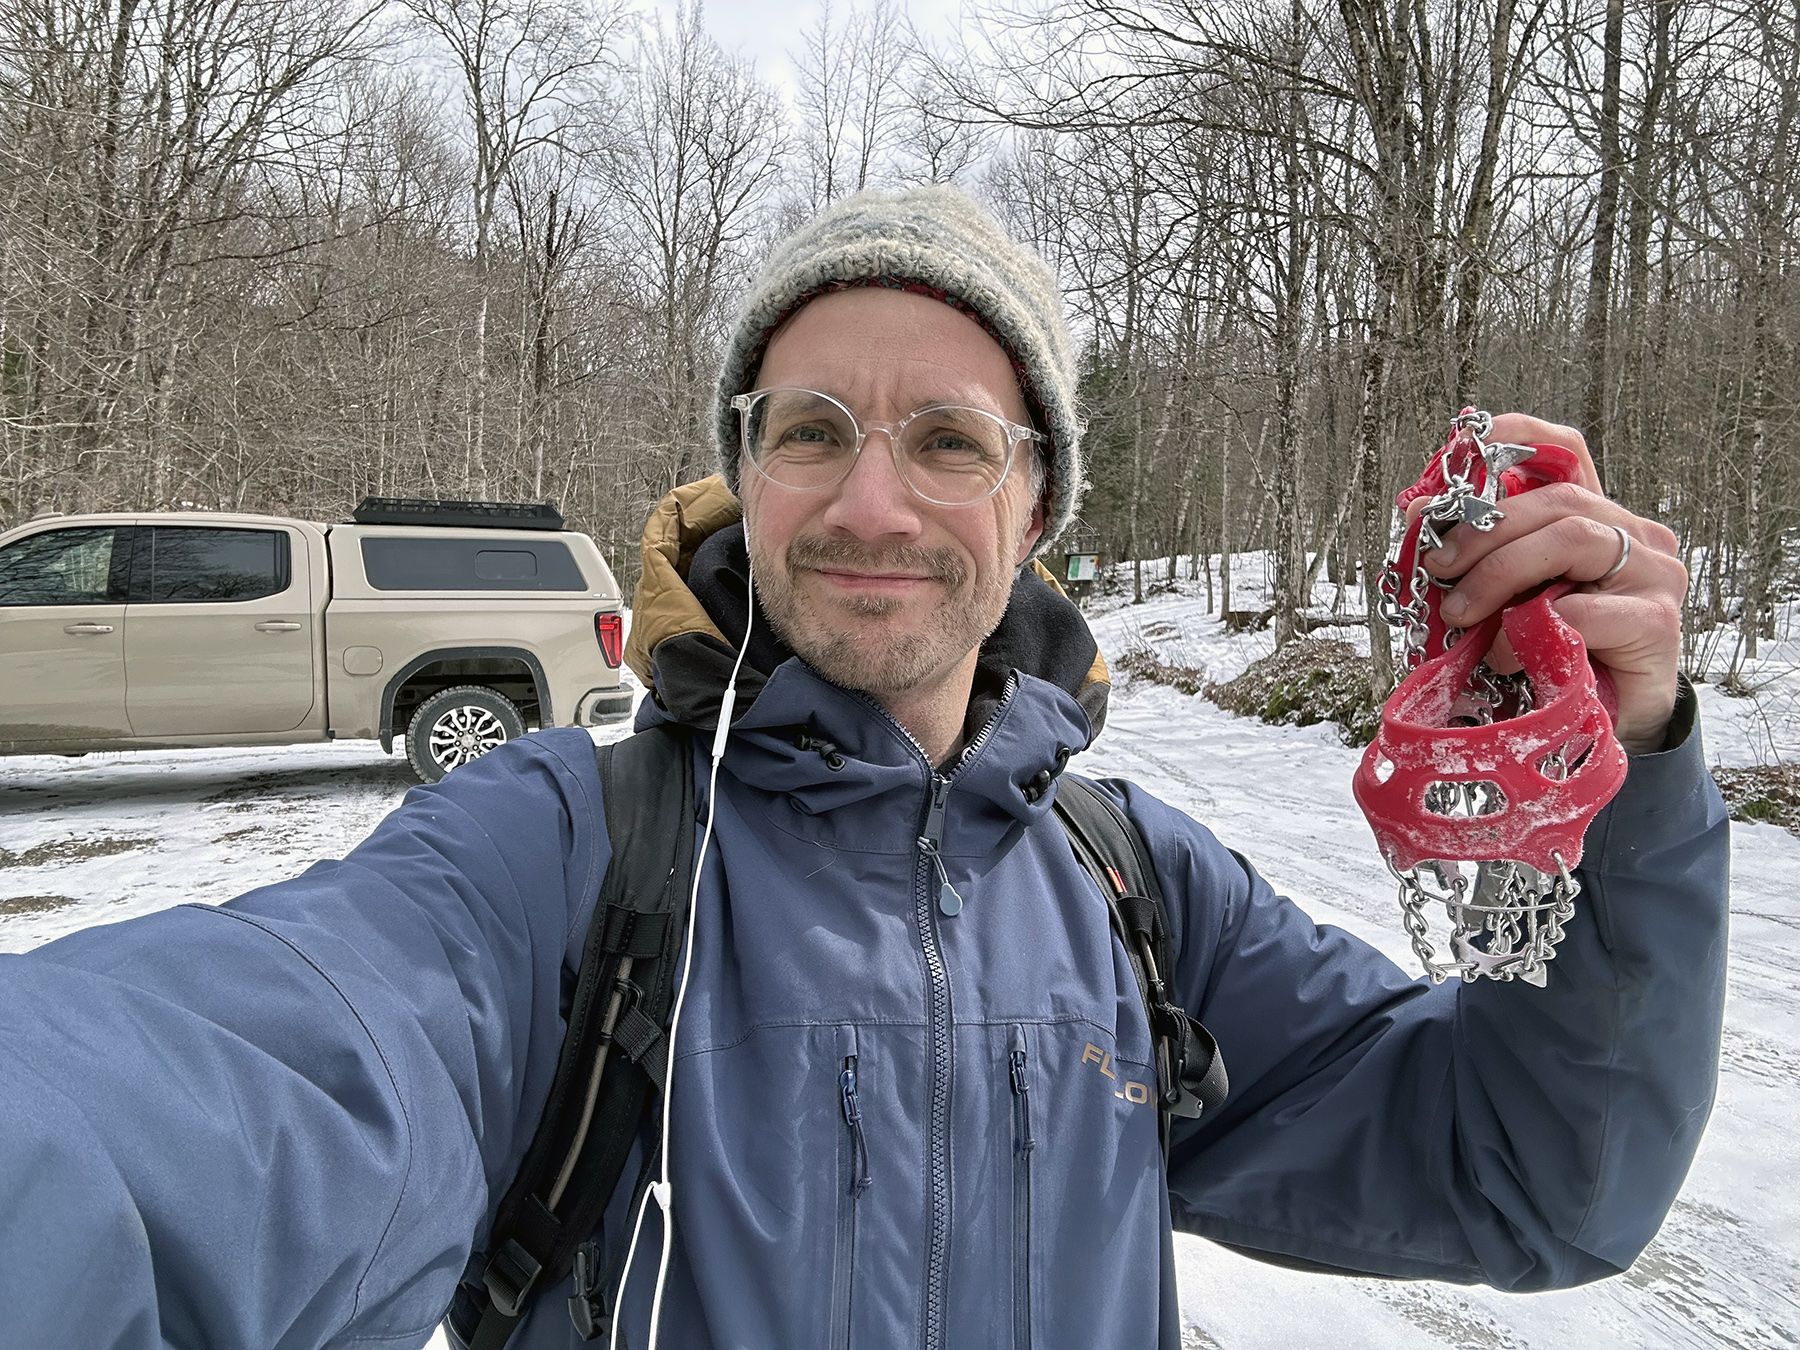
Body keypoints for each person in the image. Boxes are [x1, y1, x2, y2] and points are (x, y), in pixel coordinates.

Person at [0, 186, 1727, 1350]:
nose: (872, 502)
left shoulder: (1136, 896)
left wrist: (1635, 767)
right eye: (810, 429)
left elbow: (1535, 1168)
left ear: (1037, 502)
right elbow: (242, 1075)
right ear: (741, 475)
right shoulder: (566, 855)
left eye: (950, 439)